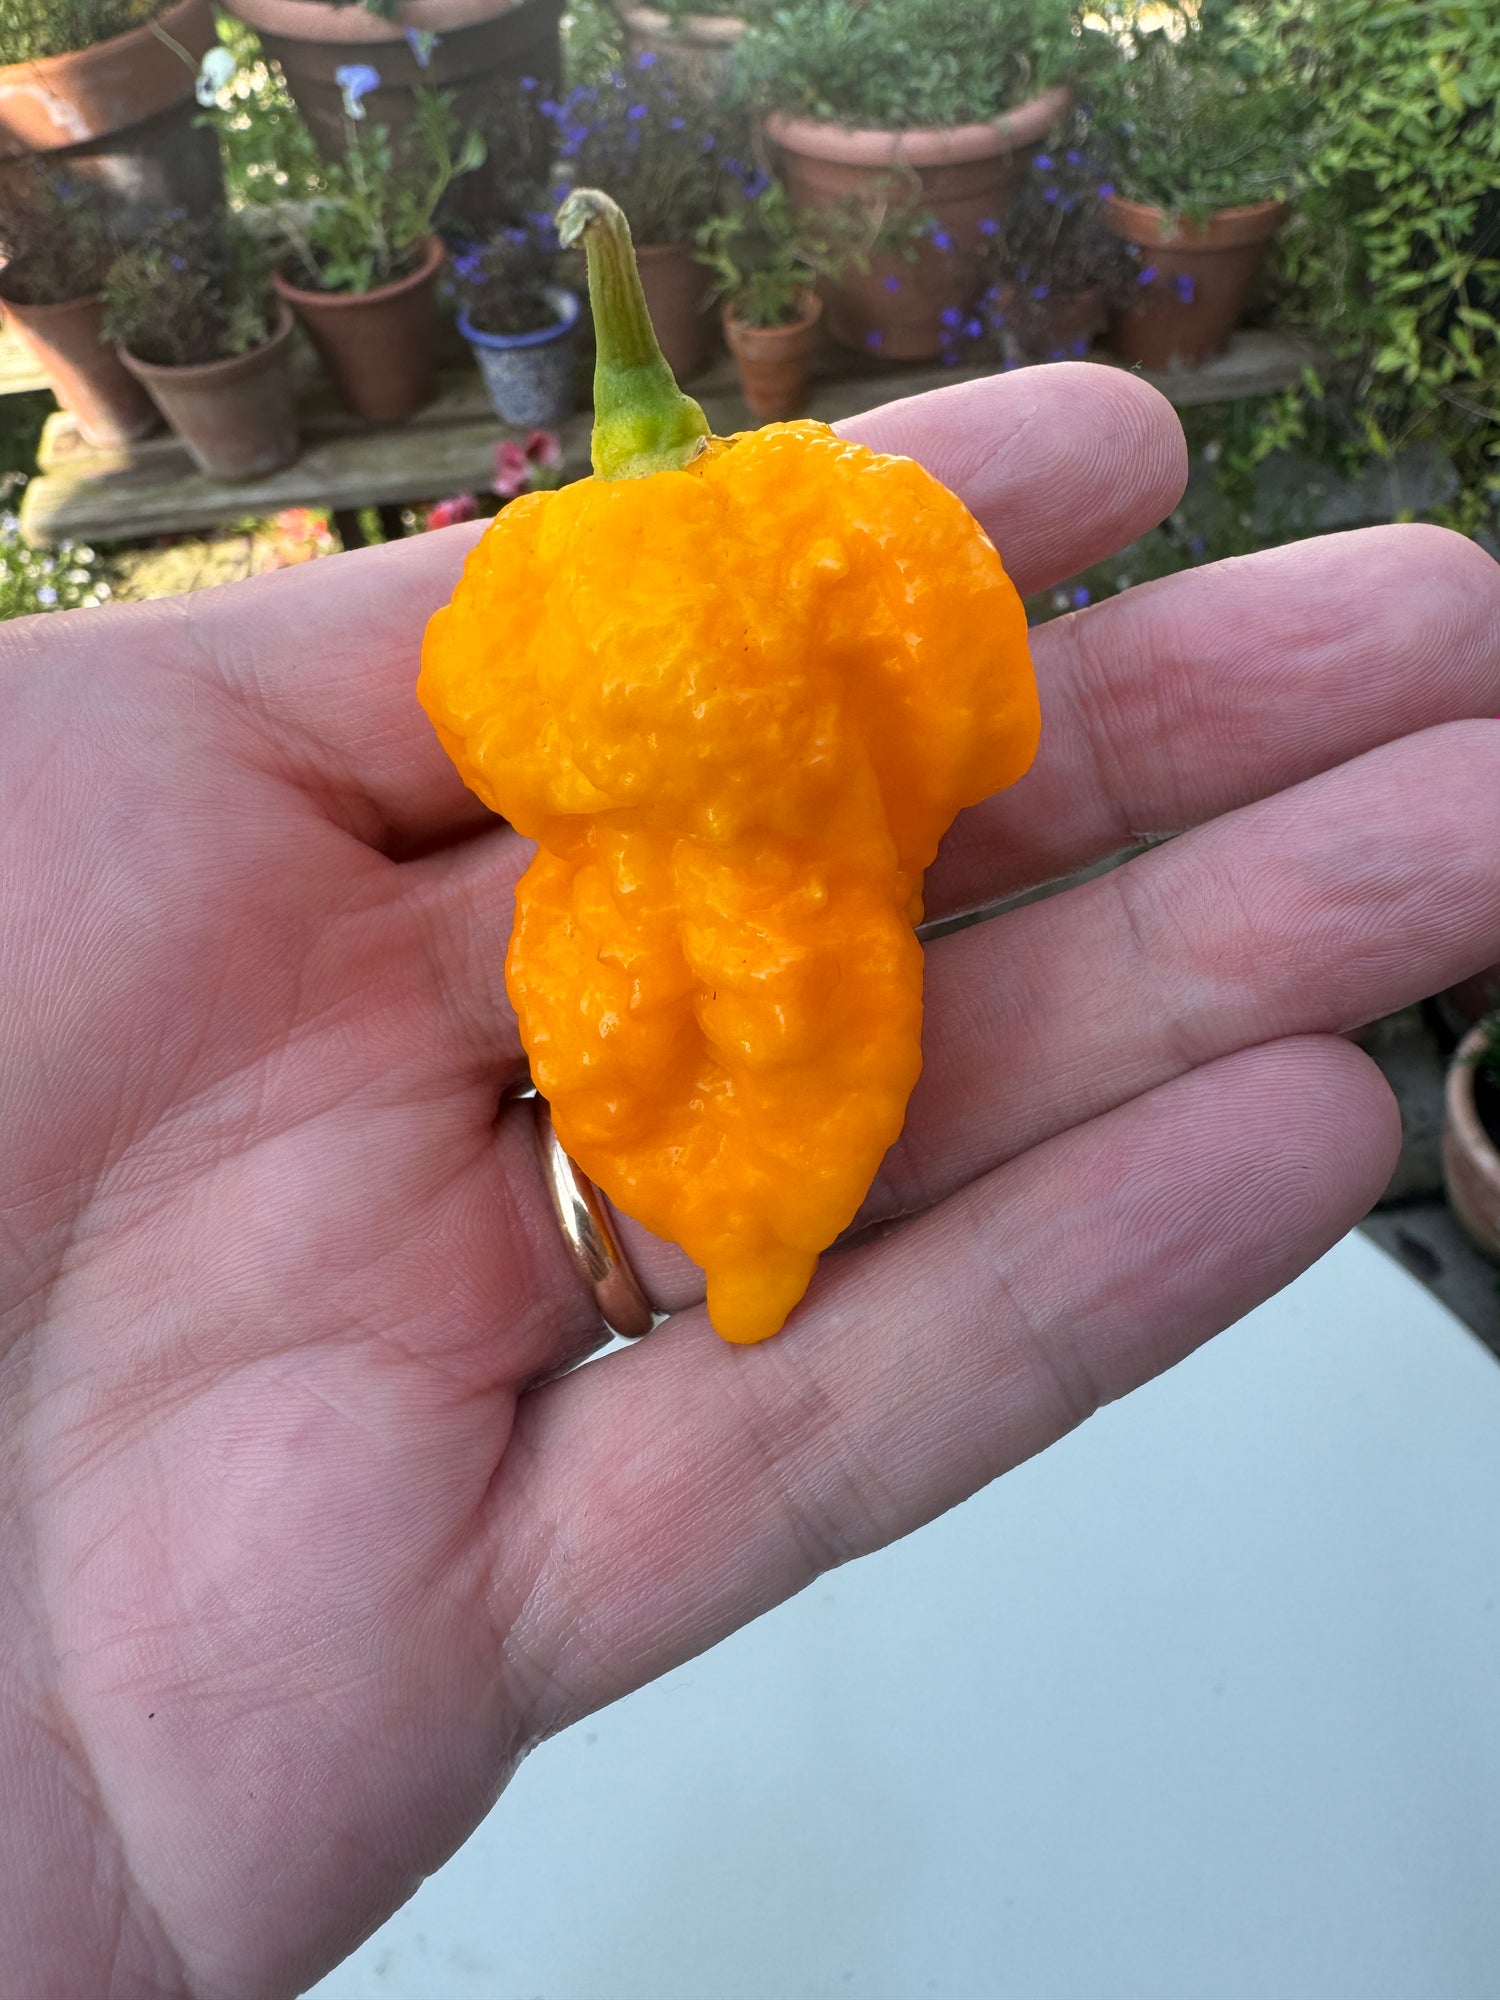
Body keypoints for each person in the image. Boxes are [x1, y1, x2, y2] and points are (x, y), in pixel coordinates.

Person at [2, 365, 1498, 1999]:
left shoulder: (778, 548)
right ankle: (752, 1230)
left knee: (765, 997)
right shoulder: (748, 557)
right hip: (675, 955)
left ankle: (758, 1231)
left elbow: (960, 736)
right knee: (728, 1008)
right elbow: (952, 729)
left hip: (728, 932)